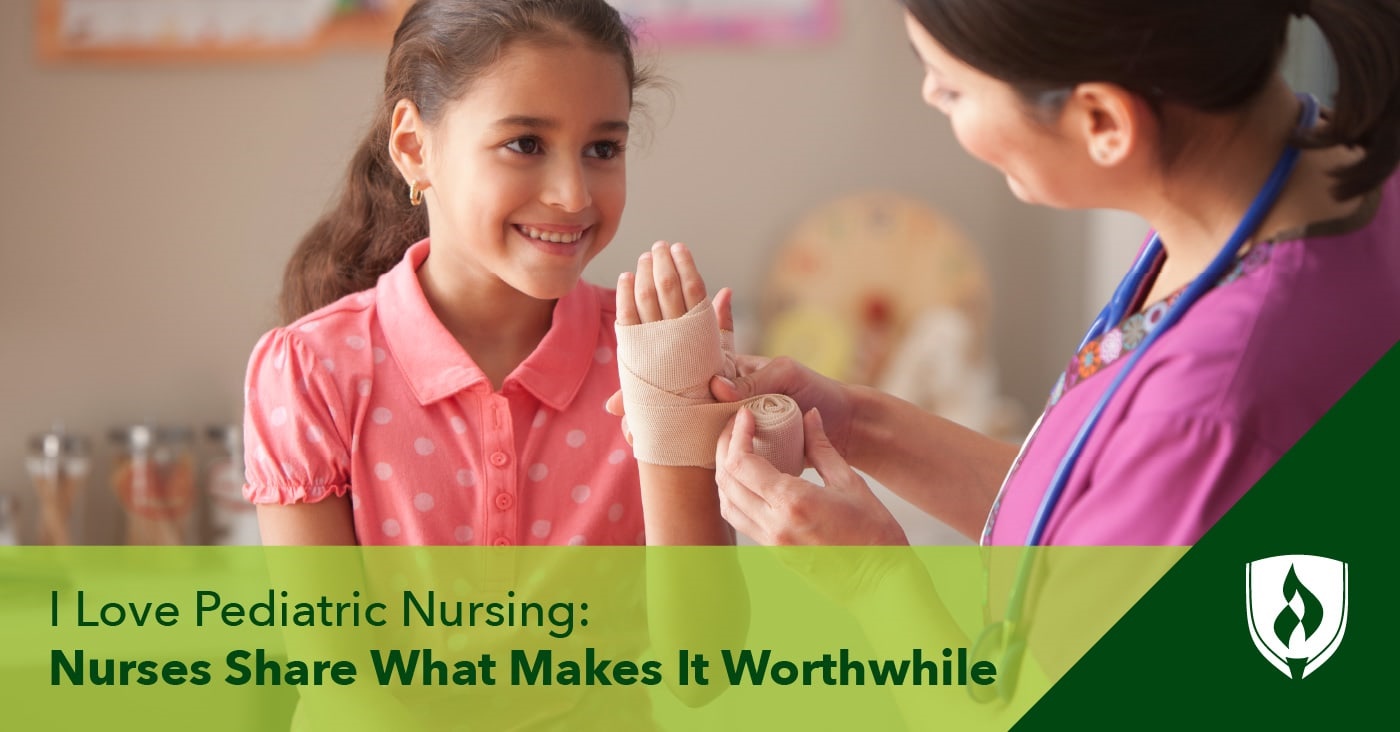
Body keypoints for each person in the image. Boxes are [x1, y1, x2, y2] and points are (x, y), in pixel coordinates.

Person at [679, 0, 1400, 548]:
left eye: (952, 88)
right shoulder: (1295, 181)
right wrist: (853, 420)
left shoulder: (1216, 404)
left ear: (1102, 123)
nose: (932, 98)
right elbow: (1094, 511)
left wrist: (871, 577)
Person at [243, 0, 732, 549]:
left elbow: (705, 637)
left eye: (602, 148)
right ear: (413, 147)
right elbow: (326, 636)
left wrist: (673, 422)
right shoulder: (311, 373)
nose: (573, 196)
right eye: (524, 144)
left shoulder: (654, 366)